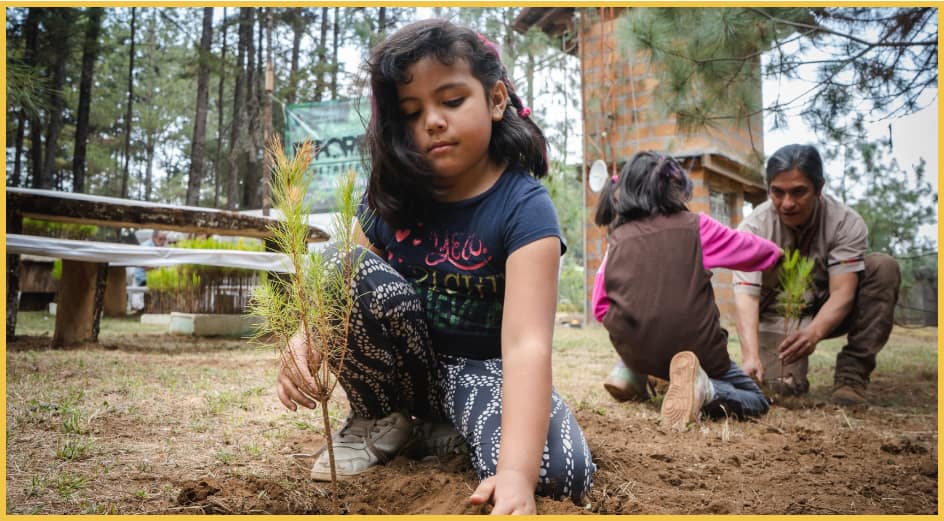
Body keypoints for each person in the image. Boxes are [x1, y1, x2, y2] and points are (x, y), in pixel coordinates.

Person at [275, 19, 594, 514]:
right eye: (412, 112)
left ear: (495, 99)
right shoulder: (392, 199)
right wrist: (305, 337)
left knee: (559, 470)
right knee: (345, 263)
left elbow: (526, 345)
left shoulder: (525, 208)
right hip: (406, 375)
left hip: (485, 372)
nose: (432, 121)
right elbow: (344, 284)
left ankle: (444, 433)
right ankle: (380, 421)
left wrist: (514, 475)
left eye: (451, 100)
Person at [592, 151, 783, 428]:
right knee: (756, 399)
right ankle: (705, 388)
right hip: (699, 351)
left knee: (641, 326)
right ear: (677, 189)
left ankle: (630, 372)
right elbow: (748, 249)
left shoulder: (617, 240)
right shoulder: (696, 227)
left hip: (636, 350)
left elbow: (600, 307)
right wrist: (777, 255)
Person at [732, 144, 901, 406]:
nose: (787, 203)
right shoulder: (753, 227)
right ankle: (783, 373)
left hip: (827, 309)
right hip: (778, 315)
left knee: (883, 267)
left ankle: (851, 378)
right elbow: (746, 296)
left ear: (819, 188)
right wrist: (751, 356)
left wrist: (814, 333)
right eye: (777, 192)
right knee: (782, 390)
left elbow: (843, 292)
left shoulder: (845, 222)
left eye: (798, 192)